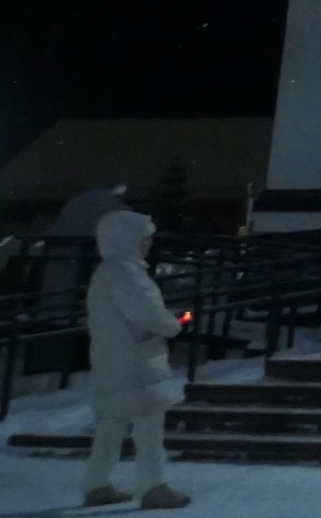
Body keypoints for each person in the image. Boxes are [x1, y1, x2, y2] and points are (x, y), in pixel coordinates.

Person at [83, 210, 190, 509]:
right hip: (136, 366)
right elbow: (149, 315)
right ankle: (153, 485)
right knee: (149, 427)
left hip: (113, 362)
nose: (149, 244)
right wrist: (174, 323)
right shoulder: (128, 274)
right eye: (145, 238)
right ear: (128, 240)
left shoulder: (107, 272)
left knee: (111, 425)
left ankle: (97, 483)